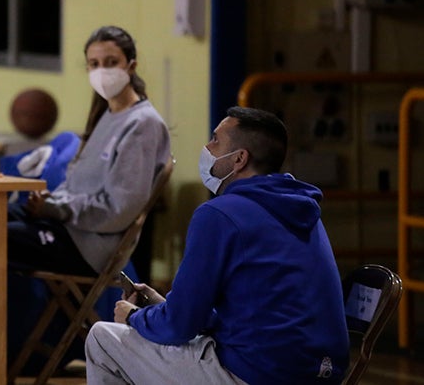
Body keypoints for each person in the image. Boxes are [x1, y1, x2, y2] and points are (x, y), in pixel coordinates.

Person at [86, 106, 350, 385]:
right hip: (320, 375)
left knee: (103, 338)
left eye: (215, 140)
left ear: (239, 158)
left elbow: (179, 328)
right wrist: (166, 307)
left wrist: (134, 318)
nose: (207, 148)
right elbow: (259, 310)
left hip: (257, 374)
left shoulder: (219, 214)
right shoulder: (303, 210)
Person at [6, 25, 170, 369]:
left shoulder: (142, 124)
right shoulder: (106, 115)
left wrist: (59, 210)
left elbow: (120, 208)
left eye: (111, 61)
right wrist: (49, 205)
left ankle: (5, 351)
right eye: (94, 64)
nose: (102, 71)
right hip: (69, 229)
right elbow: (78, 184)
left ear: (131, 66)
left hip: (91, 246)